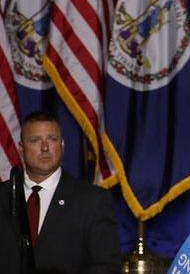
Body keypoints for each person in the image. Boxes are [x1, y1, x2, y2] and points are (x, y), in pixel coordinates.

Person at [0, 110, 121, 274]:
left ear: (62, 146)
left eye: (52, 139)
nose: (45, 148)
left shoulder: (93, 200)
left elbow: (107, 267)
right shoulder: (3, 196)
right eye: (35, 140)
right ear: (21, 149)